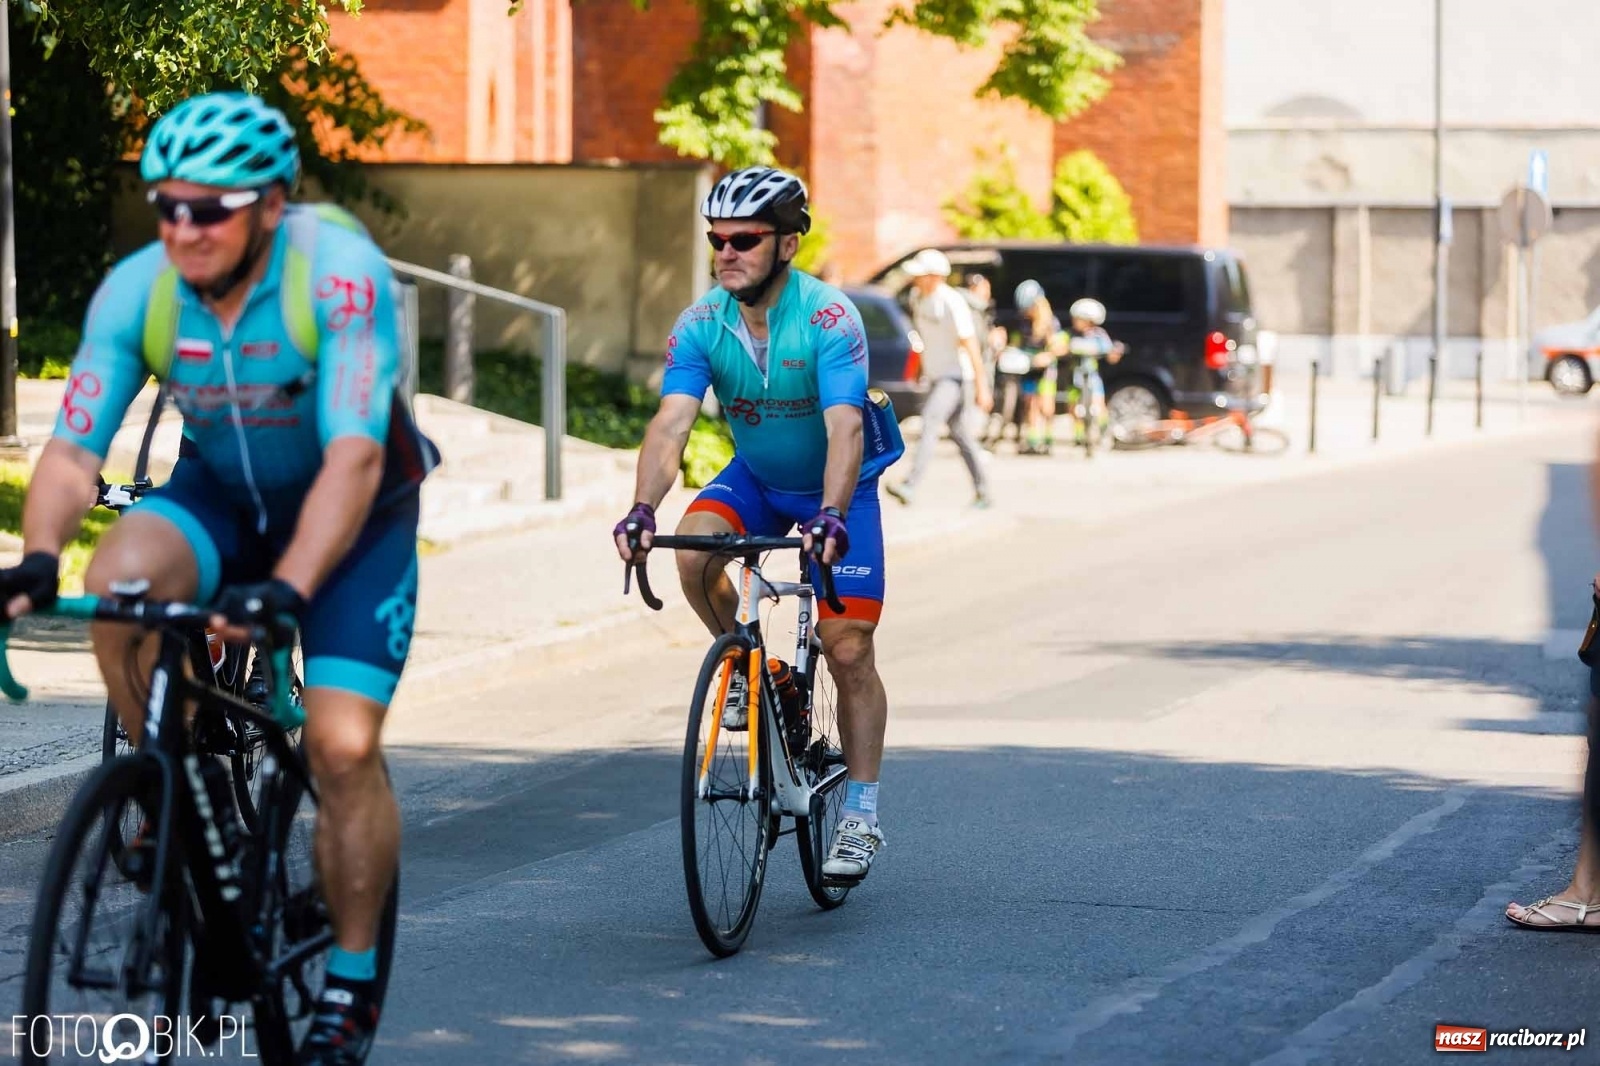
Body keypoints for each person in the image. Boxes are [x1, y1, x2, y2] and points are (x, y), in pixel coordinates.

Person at [0, 92, 437, 1064]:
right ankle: (177, 789)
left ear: (271, 206)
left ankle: (350, 981)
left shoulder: (336, 275)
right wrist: (36, 557)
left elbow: (355, 454)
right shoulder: (141, 290)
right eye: (167, 206)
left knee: (340, 747)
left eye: (211, 208)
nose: (184, 228)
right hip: (224, 495)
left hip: (356, 512)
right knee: (119, 581)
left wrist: (286, 587)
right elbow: (72, 451)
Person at [612, 166, 904, 884]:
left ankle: (861, 815)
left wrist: (831, 514)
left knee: (848, 646)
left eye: (744, 239)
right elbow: (671, 424)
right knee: (692, 553)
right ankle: (756, 670)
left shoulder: (829, 318)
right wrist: (642, 508)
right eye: (716, 239)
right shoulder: (700, 324)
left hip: (839, 486)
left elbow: (844, 427)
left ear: (787, 244)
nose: (726, 252)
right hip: (760, 478)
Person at [884, 249, 992, 508]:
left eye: (921, 275)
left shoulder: (952, 302)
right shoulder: (918, 298)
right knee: (960, 434)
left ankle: (910, 484)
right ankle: (983, 492)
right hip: (936, 376)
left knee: (931, 420)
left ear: (935, 277)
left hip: (955, 378)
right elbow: (926, 338)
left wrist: (982, 386)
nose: (916, 279)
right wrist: (920, 370)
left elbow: (970, 344)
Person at [1010, 280, 1067, 455]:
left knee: (1046, 405)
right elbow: (1016, 342)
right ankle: (1033, 440)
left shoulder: (1051, 323)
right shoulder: (1023, 323)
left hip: (1046, 369)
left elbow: (1059, 347)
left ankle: (1048, 439)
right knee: (1030, 403)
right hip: (1028, 368)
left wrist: (1047, 356)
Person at [1060, 297, 1122, 444]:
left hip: (1091, 376)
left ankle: (1104, 431)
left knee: (1099, 404)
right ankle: (1079, 436)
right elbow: (1060, 346)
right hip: (1074, 376)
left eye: (1078, 319)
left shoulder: (1099, 334)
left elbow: (1110, 352)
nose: (1075, 322)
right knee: (1073, 406)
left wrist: (1114, 353)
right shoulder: (1070, 334)